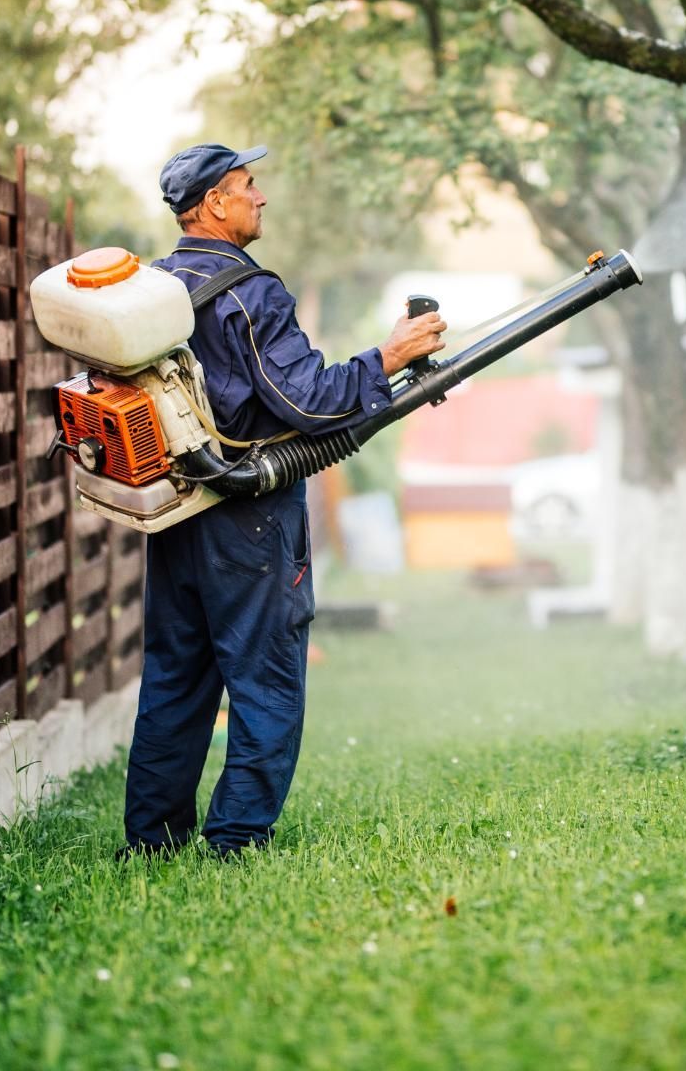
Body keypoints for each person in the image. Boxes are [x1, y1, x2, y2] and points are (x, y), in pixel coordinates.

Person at [121, 143, 446, 858]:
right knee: (266, 678)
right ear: (212, 204)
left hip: (178, 511)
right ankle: (236, 839)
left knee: (176, 677)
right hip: (249, 518)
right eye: (247, 185)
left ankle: (150, 841)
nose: (260, 196)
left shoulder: (156, 289)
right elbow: (310, 401)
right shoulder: (250, 290)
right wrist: (389, 357)